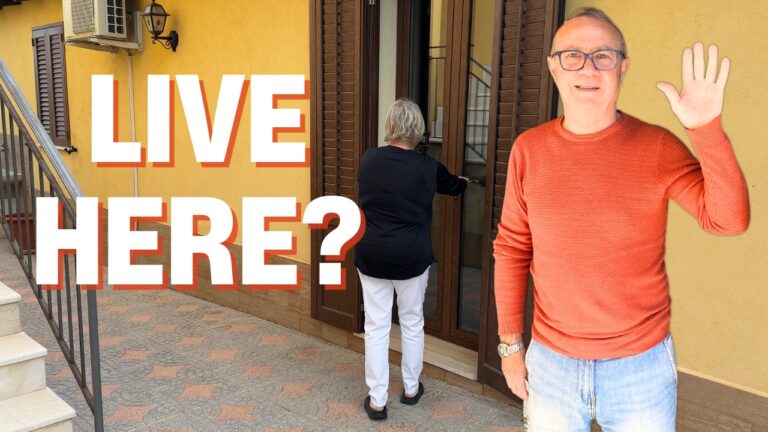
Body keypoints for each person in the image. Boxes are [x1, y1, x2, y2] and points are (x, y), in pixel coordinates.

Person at [493, 7, 749, 431]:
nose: (588, 67)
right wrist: (509, 347)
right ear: (554, 68)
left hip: (640, 368)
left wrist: (706, 129)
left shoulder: (658, 148)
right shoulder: (529, 150)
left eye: (603, 56)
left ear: (622, 68)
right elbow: (512, 248)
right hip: (552, 364)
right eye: (572, 55)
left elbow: (728, 220)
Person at [355, 98, 468, 420]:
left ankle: (377, 400)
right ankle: (410, 388)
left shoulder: (369, 159)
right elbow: (453, 187)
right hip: (411, 258)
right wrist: (462, 182)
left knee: (376, 326)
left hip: (372, 253)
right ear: (418, 130)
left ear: (390, 125)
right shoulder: (427, 167)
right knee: (412, 321)